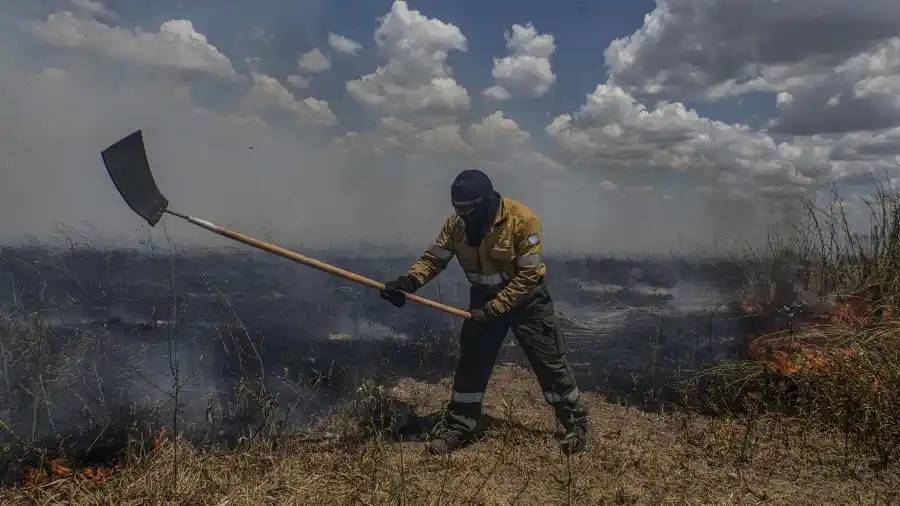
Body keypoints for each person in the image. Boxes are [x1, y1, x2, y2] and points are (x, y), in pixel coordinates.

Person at [379, 168, 589, 455]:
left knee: (549, 362)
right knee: (471, 365)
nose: (463, 217)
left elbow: (528, 277)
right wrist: (408, 282)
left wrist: (496, 308)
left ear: (487, 202)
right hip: (483, 299)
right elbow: (434, 259)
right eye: (458, 210)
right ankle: (460, 426)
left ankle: (575, 425)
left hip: (527, 301)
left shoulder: (523, 220)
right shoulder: (456, 225)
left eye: (468, 210)